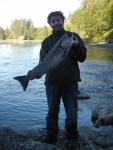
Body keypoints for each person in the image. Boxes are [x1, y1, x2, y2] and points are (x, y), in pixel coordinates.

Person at [28, 11, 87, 150]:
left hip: (70, 83)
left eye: (58, 20)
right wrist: (35, 74)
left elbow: (83, 57)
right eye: (53, 21)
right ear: (50, 24)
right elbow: (43, 63)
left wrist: (77, 46)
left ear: (63, 21)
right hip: (52, 84)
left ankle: (72, 138)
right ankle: (51, 136)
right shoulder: (46, 42)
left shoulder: (72, 37)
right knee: (52, 113)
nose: (56, 23)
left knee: (72, 113)